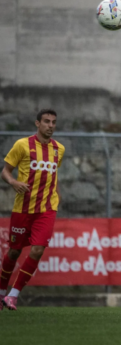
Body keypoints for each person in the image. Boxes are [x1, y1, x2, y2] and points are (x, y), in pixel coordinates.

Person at [1, 109, 65, 311]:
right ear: (37, 123)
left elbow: (54, 175)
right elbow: (5, 171)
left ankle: (13, 295)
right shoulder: (22, 145)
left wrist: (57, 196)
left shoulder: (59, 149)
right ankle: (2, 291)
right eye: (46, 121)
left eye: (54, 122)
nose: (51, 126)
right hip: (23, 209)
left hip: (47, 209)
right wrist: (13, 182)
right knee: (14, 252)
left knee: (37, 250)